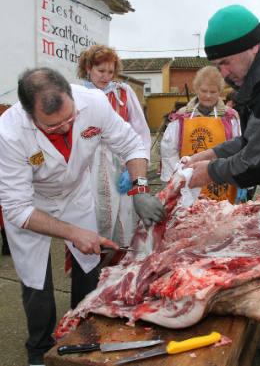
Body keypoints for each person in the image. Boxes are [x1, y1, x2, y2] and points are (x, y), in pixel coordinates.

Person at [0, 68, 164, 366]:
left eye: (70, 118)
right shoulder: (9, 132)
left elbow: (131, 144)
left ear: (71, 94)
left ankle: (82, 333)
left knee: (89, 265)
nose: (65, 128)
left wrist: (140, 188)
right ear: (29, 114)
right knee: (36, 282)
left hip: (75, 195)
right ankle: (38, 349)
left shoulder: (95, 103)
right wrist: (73, 233)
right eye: (53, 126)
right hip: (30, 204)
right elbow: (16, 208)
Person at [183, 5, 260, 366]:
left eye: (225, 64)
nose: (223, 74)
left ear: (250, 48)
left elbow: (259, 158)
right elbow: (254, 138)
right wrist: (207, 153)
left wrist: (205, 174)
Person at [77, 45, 152, 246]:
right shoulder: (77, 94)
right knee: (92, 215)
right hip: (88, 165)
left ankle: (120, 262)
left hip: (121, 162)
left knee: (125, 217)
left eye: (110, 72)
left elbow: (141, 132)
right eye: (101, 71)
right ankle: (92, 266)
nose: (106, 77)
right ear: (88, 68)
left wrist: (137, 169)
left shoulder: (123, 93)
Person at [160, 66, 240, 202]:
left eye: (213, 91)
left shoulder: (230, 117)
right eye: (204, 91)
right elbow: (168, 151)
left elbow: (239, 148)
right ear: (196, 89)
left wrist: (238, 176)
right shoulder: (181, 116)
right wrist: (175, 178)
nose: (208, 95)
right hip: (187, 182)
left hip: (220, 181)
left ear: (220, 92)